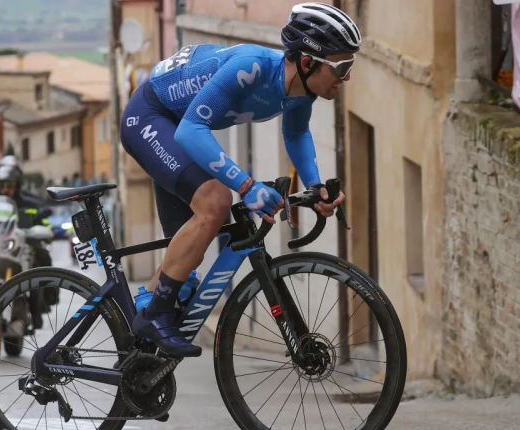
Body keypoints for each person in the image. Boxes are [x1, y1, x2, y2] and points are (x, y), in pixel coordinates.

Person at [119, 2, 354, 358]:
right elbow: (190, 132)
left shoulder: (301, 91)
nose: (347, 76)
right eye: (343, 66)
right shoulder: (252, 66)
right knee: (216, 203)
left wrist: (316, 186)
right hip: (151, 117)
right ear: (308, 63)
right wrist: (247, 186)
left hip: (173, 127)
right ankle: (155, 316)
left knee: (184, 268)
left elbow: (296, 135)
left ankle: (137, 353)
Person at [0, 156, 55, 329]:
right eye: (3, 186)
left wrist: (41, 228)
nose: (6, 190)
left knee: (41, 260)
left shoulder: (30, 202)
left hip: (22, 244)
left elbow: (45, 223)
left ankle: (39, 309)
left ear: (17, 185)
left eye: (10, 186)